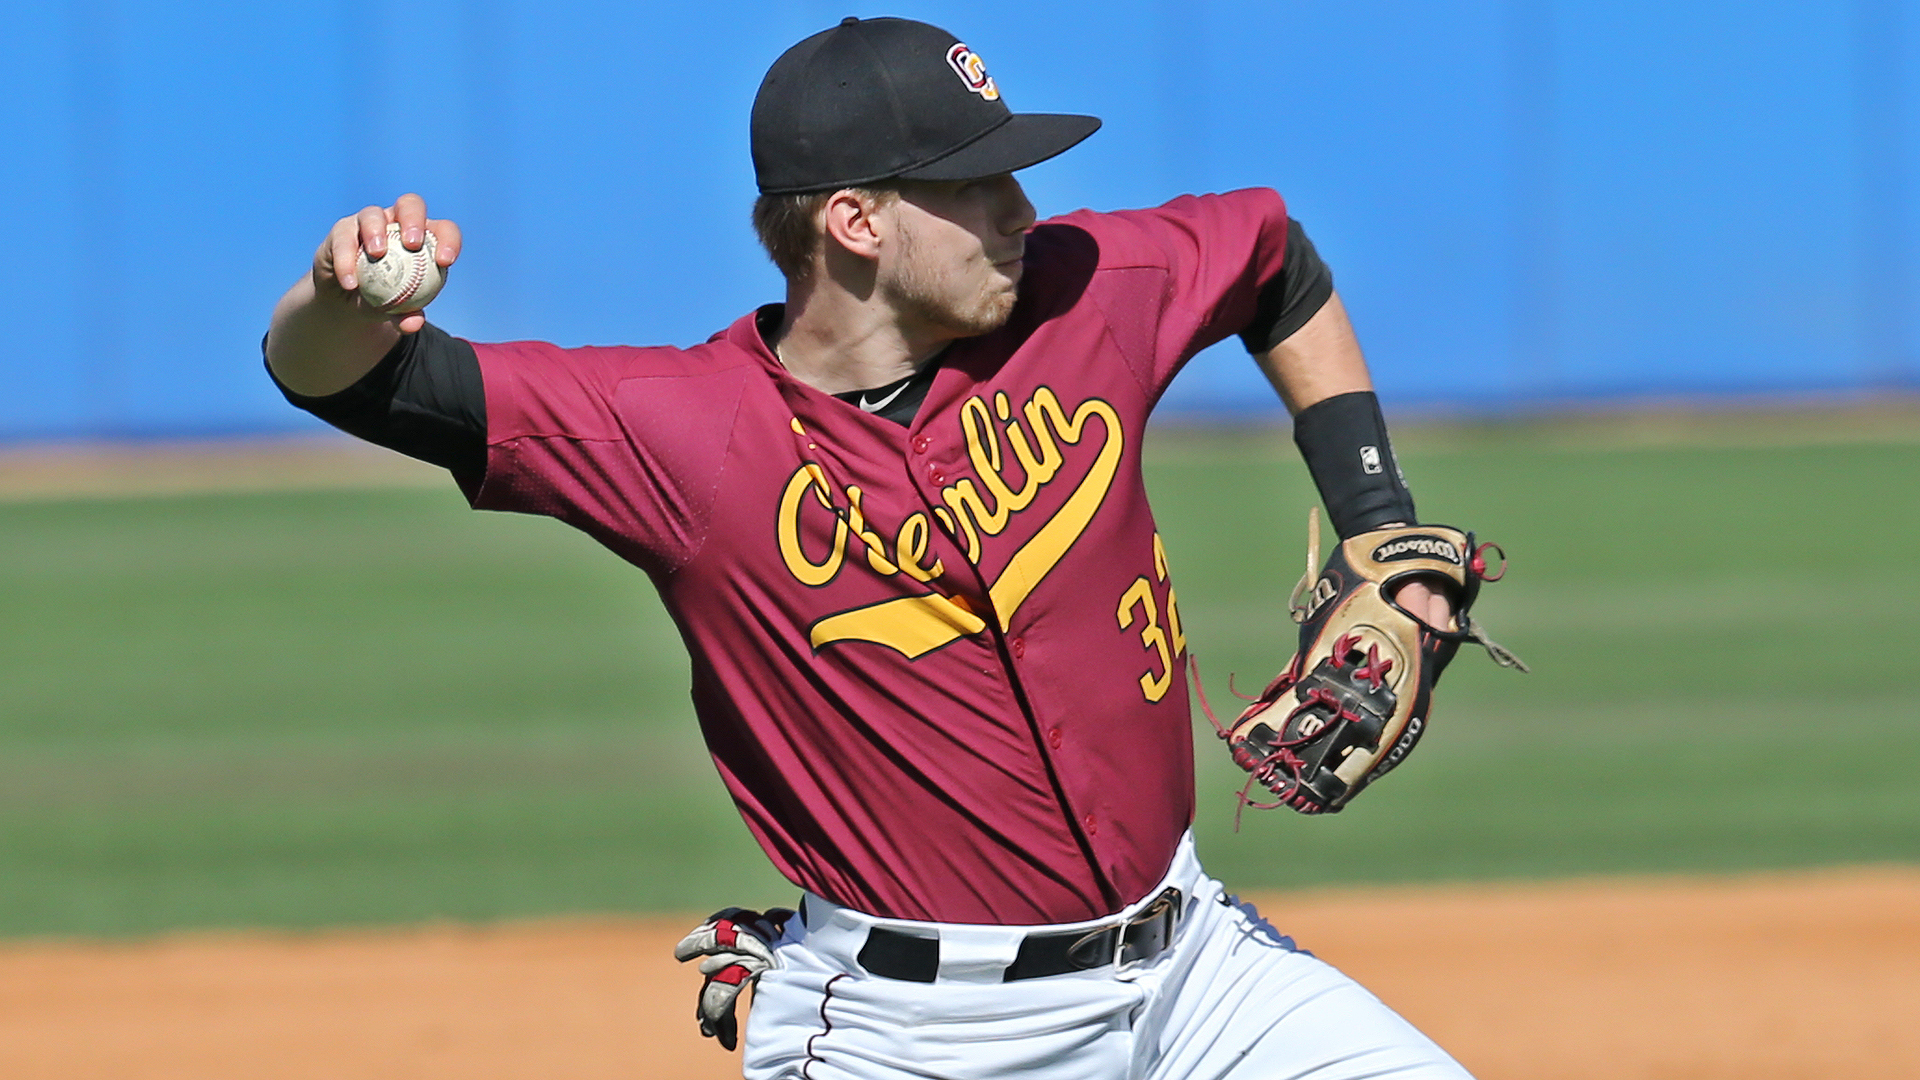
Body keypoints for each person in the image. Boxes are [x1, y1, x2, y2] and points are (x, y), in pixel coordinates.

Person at [266, 16, 1474, 1079]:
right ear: (853, 219)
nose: (1022, 209)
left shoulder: (1082, 294)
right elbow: (344, 382)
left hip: (1201, 972)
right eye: (977, 185)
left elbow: (1273, 256)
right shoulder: (690, 435)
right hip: (914, 1036)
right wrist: (335, 296)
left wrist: (1378, 524)